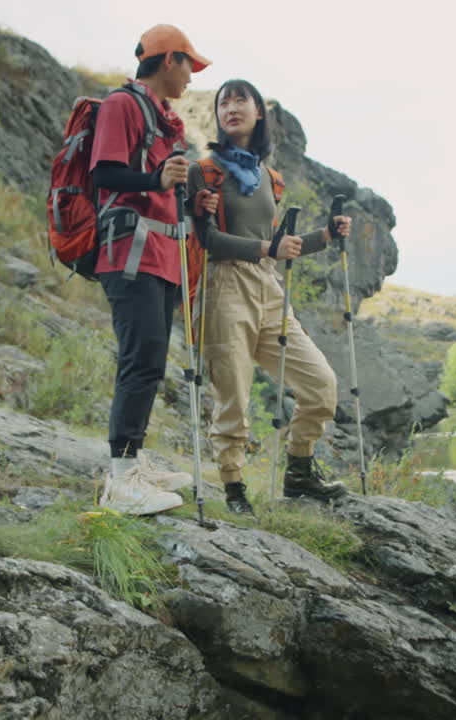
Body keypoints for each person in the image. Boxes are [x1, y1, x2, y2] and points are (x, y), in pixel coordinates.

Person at [188, 79, 352, 515]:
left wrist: (324, 235)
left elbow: (280, 244)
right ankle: (234, 488)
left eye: (241, 99)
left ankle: (299, 473)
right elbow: (208, 240)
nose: (231, 107)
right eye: (224, 102)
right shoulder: (204, 171)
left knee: (321, 385)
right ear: (219, 116)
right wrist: (267, 250)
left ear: (259, 112)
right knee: (233, 399)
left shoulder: (270, 179)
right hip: (224, 288)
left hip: (268, 289)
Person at [90, 24, 211, 515]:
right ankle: (121, 480)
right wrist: (156, 178)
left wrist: (191, 200)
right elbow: (104, 174)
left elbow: (158, 189)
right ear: (168, 60)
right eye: (189, 66)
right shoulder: (122, 106)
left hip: (162, 257)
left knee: (152, 360)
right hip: (131, 254)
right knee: (140, 360)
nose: (191, 78)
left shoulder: (165, 120)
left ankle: (133, 459)